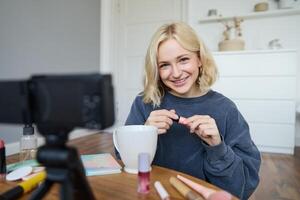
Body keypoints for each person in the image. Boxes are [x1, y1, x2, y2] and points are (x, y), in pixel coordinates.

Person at [124, 22, 261, 199]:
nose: (176, 73)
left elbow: (242, 187)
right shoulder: (145, 103)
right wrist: (143, 132)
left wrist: (217, 147)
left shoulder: (225, 109)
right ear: (156, 69)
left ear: (200, 59)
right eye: (165, 65)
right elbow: (124, 161)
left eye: (183, 60)